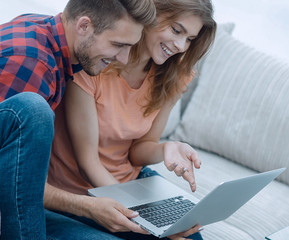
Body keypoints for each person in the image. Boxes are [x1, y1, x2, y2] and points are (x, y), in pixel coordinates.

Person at [46, 0, 217, 239]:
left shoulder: (175, 75)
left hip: (130, 183)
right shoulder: (96, 61)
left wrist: (166, 148)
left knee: (190, 235)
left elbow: (138, 151)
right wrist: (140, 215)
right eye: (176, 30)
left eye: (189, 39)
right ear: (150, 14)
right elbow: (88, 163)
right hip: (80, 193)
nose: (180, 45)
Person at [0, 0, 156, 239]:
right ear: (84, 26)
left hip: (23, 199)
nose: (124, 58)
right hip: (11, 204)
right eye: (118, 45)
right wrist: (88, 208)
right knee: (33, 109)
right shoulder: (32, 63)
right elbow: (13, 181)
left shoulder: (44, 32)